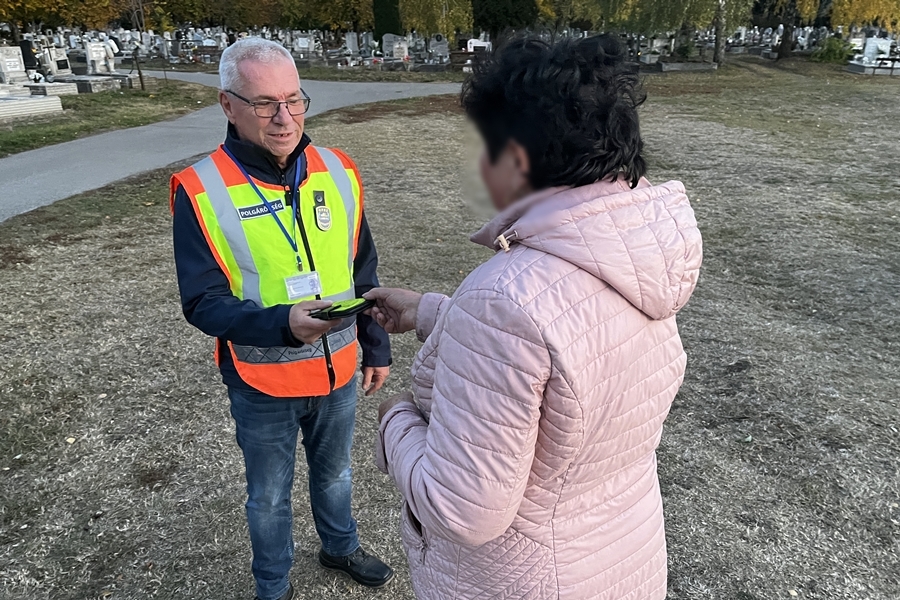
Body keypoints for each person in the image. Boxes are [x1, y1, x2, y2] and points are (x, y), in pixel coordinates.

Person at [366, 34, 703, 599]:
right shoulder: (636, 255)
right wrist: (432, 313)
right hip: (621, 557)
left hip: (528, 580)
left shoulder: (505, 297)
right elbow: (569, 351)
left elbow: (463, 508)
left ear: (516, 160)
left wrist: (395, 421)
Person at [170, 38, 394, 600]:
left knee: (337, 473)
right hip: (261, 379)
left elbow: (360, 268)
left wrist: (376, 345)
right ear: (228, 105)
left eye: (294, 99)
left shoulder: (338, 170)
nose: (284, 117)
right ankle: (272, 584)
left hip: (338, 366)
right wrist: (282, 325)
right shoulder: (201, 189)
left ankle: (339, 546)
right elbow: (202, 301)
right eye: (265, 103)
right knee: (268, 496)